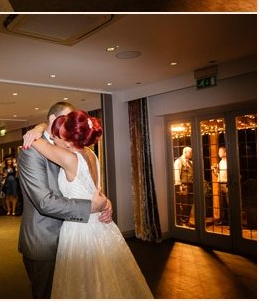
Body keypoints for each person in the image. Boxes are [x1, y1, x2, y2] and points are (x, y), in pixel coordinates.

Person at [26, 109, 153, 298]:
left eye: (57, 137)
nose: (54, 140)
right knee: (104, 281)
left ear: (69, 142)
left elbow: (33, 139)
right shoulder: (92, 154)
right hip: (101, 226)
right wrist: (106, 202)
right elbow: (95, 191)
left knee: (82, 284)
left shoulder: (69, 158)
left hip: (79, 230)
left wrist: (38, 127)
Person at [18, 101, 112, 299]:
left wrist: (105, 202)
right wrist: (91, 207)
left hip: (76, 238)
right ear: (54, 121)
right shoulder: (30, 151)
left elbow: (90, 187)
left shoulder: (76, 150)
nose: (70, 126)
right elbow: (44, 202)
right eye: (66, 121)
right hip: (46, 240)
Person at [173, 145, 194, 227]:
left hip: (191, 185)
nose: (191, 154)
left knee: (189, 204)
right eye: (190, 152)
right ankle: (180, 221)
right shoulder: (179, 161)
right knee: (184, 204)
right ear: (185, 152)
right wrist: (179, 186)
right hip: (183, 185)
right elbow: (176, 174)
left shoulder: (190, 162)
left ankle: (186, 220)